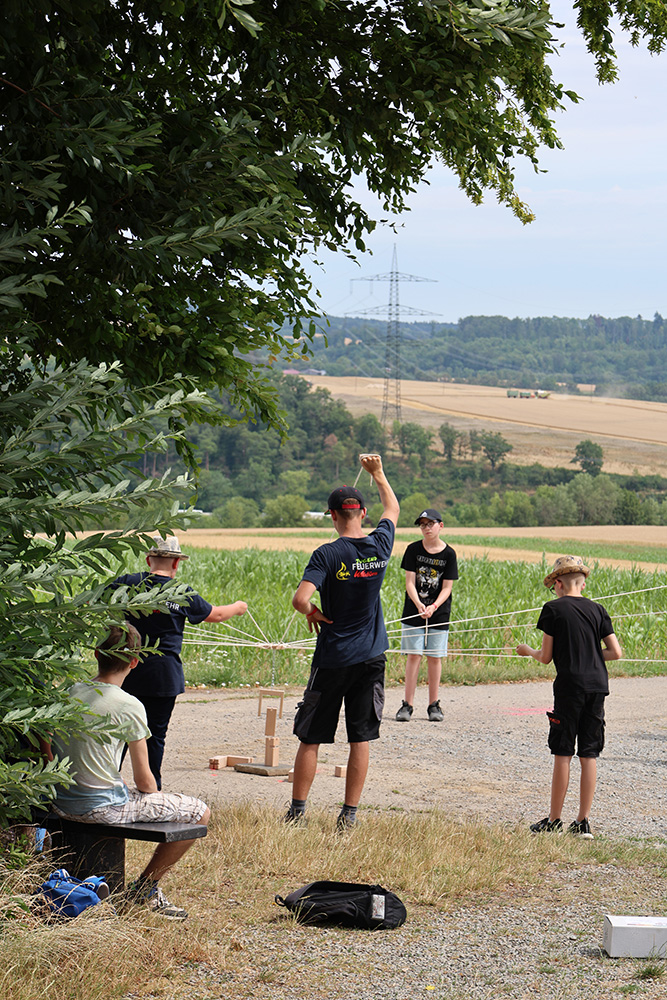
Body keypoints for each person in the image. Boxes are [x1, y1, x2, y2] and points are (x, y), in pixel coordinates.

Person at [51, 623, 209, 920]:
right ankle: (145, 889)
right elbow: (145, 781)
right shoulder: (129, 705)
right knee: (200, 812)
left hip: (60, 801)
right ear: (135, 662)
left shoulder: (69, 692)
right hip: (100, 808)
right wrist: (151, 794)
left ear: (96, 654)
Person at [287, 454, 400, 830]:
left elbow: (300, 599)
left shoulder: (327, 553)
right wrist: (378, 474)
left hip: (334, 656)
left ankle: (298, 812)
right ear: (362, 514)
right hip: (371, 657)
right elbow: (394, 507)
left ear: (333, 515)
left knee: (311, 736)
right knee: (360, 737)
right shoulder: (380, 545)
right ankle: (348, 815)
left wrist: (313, 613)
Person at [109, 535, 247, 788]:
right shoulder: (181, 592)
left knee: (117, 733)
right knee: (154, 735)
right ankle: (151, 789)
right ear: (176, 564)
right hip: (163, 676)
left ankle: (107, 785)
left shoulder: (127, 583)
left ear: (149, 559)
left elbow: (97, 601)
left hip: (124, 671)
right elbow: (214, 614)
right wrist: (238, 607)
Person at [516, 555, 622, 839]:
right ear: (583, 584)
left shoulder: (552, 609)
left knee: (563, 751)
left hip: (569, 686)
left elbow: (546, 656)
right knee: (589, 753)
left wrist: (527, 650)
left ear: (559, 583)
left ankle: (554, 819)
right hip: (598, 686)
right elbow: (616, 652)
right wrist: (589, 654)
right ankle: (583, 821)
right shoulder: (599, 610)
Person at [395, 507, 458, 723]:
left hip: (439, 613)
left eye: (430, 524)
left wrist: (433, 607)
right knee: (413, 656)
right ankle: (407, 705)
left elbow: (447, 587)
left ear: (440, 526)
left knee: (434, 657)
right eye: (422, 525)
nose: (426, 528)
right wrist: (420, 605)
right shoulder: (413, 550)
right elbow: (409, 582)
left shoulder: (449, 554)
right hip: (414, 610)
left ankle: (433, 705)